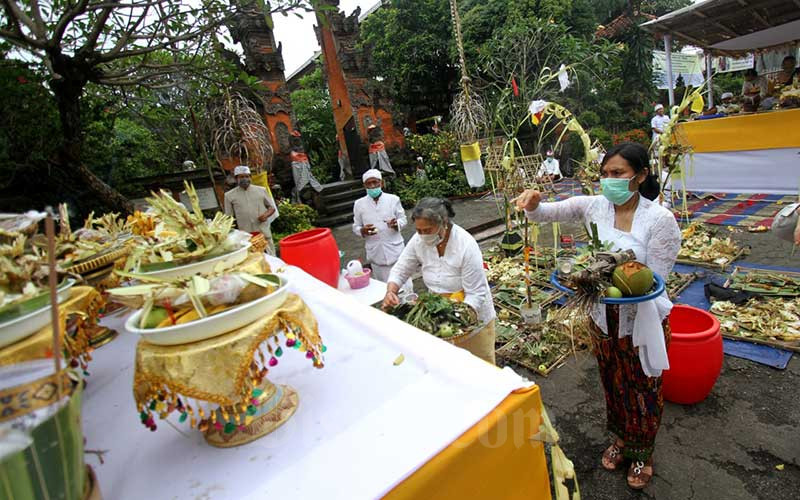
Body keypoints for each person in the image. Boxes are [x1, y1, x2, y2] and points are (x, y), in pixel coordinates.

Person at [515, 142, 681, 490]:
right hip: (603, 318)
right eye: (605, 174)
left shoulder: (660, 220)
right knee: (613, 383)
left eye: (617, 174)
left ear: (640, 176)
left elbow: (656, 281)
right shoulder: (595, 207)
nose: (609, 181)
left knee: (644, 388)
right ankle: (620, 440)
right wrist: (533, 204)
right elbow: (547, 212)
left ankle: (642, 453)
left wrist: (609, 275)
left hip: (641, 320)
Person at [382, 198, 496, 364]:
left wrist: (456, 319)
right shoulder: (418, 240)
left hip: (472, 319)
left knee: (481, 367)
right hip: (439, 317)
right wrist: (391, 291)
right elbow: (401, 269)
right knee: (450, 368)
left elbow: (475, 295)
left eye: (427, 230)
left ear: (444, 223)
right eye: (418, 230)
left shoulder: (466, 245)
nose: (422, 235)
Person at [352, 169, 411, 292]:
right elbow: (355, 226)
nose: (373, 186)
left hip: (396, 251)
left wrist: (396, 224)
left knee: (405, 287)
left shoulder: (393, 199)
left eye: (375, 182)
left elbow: (403, 219)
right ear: (365, 186)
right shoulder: (359, 204)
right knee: (384, 289)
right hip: (376, 253)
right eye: (369, 183)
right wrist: (362, 230)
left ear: (381, 183)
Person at [223, 165, 278, 255]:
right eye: (241, 177)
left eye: (247, 176)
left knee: (271, 254)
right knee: (252, 257)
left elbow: (272, 207)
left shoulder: (261, 190)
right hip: (246, 234)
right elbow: (229, 218)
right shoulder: (229, 196)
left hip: (262, 230)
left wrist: (265, 215)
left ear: (250, 177)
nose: (244, 179)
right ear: (236, 178)